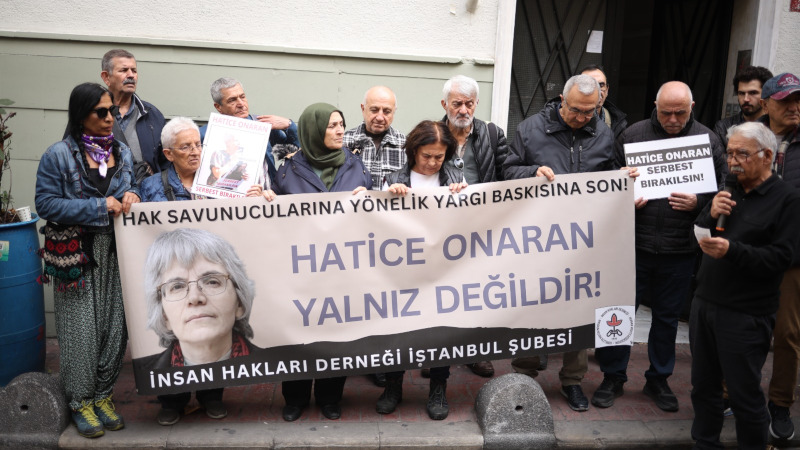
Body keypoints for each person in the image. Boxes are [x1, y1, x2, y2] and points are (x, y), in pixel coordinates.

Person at [591, 81, 726, 413]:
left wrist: (699, 203)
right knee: (617, 313)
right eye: (666, 112)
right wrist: (622, 190)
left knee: (667, 318)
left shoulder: (708, 140)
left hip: (680, 249)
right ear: (655, 106)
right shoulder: (632, 135)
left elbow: (724, 189)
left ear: (692, 107)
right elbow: (603, 179)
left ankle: (659, 379)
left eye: (680, 113)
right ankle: (612, 376)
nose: (673, 119)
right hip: (632, 245)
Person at [503, 74, 620, 412]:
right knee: (532, 305)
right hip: (537, 238)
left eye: (589, 111)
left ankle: (572, 380)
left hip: (584, 239)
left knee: (578, 306)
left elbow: (611, 176)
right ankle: (524, 375)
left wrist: (623, 182)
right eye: (575, 110)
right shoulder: (530, 129)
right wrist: (532, 173)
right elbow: (507, 171)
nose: (582, 118)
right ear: (561, 100)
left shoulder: (604, 132)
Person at [138, 117, 262, 425]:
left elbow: (241, 221)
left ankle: (211, 397)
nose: (195, 152)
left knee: (212, 334)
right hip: (175, 273)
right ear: (169, 154)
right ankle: (172, 401)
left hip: (211, 269)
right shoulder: (151, 188)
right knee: (185, 336)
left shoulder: (225, 180)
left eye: (198, 145)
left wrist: (256, 200)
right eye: (186, 147)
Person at [35, 82, 140, 438]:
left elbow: (133, 182)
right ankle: (81, 402)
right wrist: (98, 206)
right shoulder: (59, 155)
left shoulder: (121, 153)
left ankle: (103, 396)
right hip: (77, 255)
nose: (110, 118)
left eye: (112, 111)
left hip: (117, 251)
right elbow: (46, 204)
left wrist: (132, 193)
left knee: (115, 328)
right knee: (81, 332)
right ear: (81, 116)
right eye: (101, 112)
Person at [690, 121, 800, 449]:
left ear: (767, 156)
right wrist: (710, 214)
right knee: (704, 389)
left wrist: (732, 250)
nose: (733, 161)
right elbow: (697, 234)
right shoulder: (728, 189)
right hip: (705, 303)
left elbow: (782, 258)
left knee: (744, 396)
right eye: (730, 153)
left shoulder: (787, 200)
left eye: (742, 154)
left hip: (746, 314)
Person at [270, 102, 371, 421]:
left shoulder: (355, 165)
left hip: (342, 268)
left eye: (342, 124)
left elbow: (372, 215)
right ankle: (295, 398)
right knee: (298, 333)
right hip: (300, 269)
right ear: (313, 131)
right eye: (332, 125)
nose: (340, 131)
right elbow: (272, 220)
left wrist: (370, 199)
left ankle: (330, 397)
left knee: (336, 335)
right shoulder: (288, 169)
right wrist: (267, 200)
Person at [375, 120, 466, 420]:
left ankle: (438, 387)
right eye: (426, 155)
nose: (432, 163)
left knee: (441, 332)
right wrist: (389, 196)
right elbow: (376, 225)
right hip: (402, 272)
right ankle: (393, 386)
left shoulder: (456, 179)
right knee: (398, 331)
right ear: (413, 151)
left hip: (442, 272)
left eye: (439, 157)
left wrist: (465, 196)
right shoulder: (393, 179)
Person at [137, 228, 260, 423]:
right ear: (163, 314)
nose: (195, 298)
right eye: (177, 286)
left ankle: (211, 398)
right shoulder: (150, 368)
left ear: (239, 302)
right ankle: (171, 403)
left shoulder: (267, 360)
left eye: (212, 282)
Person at [439, 74, 509, 378]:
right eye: (457, 103)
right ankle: (436, 355)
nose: (463, 110)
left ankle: (477, 352)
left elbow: (507, 172)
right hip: (441, 228)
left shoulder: (492, 134)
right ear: (444, 104)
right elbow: (415, 170)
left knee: (479, 291)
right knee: (441, 292)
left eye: (469, 103)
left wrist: (533, 175)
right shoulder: (431, 133)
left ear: (477, 103)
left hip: (481, 228)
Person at [758, 72, 800, 440]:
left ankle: (780, 403)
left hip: (791, 258)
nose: (794, 107)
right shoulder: (747, 138)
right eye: (786, 101)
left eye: (798, 100)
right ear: (767, 104)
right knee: (742, 328)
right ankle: (731, 392)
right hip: (748, 254)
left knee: (787, 334)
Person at [200, 77, 300, 188]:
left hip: (266, 195)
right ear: (218, 107)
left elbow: (297, 152)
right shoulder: (206, 134)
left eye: (242, 97)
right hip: (226, 196)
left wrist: (289, 125)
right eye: (232, 100)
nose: (241, 103)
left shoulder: (263, 125)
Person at [100, 49, 166, 179]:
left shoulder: (153, 115)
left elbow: (166, 162)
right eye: (123, 70)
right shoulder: (90, 114)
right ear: (106, 77)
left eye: (134, 71)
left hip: (145, 189)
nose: (131, 75)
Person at [343, 85, 407, 190]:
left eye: (387, 111)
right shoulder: (344, 142)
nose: (380, 117)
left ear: (394, 111)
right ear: (363, 109)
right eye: (374, 110)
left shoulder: (406, 145)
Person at [713, 66, 773, 147]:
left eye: (753, 93)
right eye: (741, 93)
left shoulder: (775, 125)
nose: (746, 99)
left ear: (766, 95)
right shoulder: (724, 127)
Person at [580, 64, 628, 141]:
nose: (597, 91)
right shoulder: (565, 119)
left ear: (607, 90)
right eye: (590, 85)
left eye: (601, 85)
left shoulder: (617, 122)